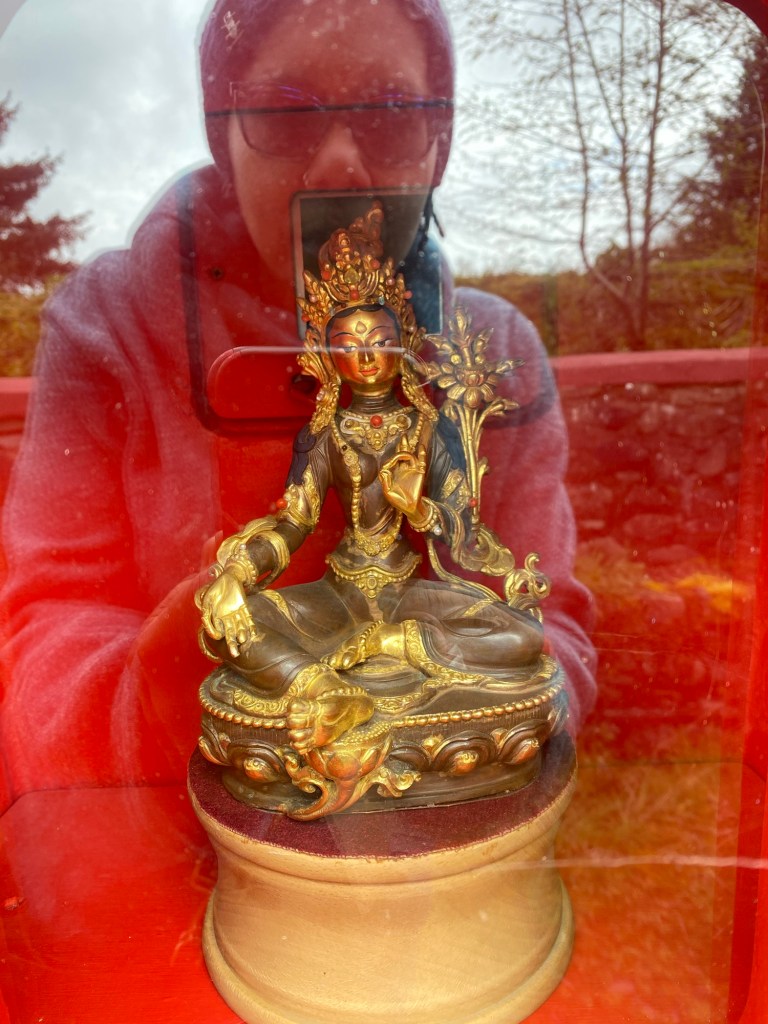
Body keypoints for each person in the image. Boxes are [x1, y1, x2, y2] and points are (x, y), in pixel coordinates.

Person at [0, 0, 595, 801]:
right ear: (223, 134)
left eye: (390, 112)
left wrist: (510, 597)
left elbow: (539, 609)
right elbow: (47, 622)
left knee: (506, 638)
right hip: (182, 793)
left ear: (440, 141)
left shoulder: (487, 356)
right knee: (248, 633)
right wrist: (207, 616)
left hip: (425, 657)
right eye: (285, 110)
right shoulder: (109, 325)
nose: (341, 164)